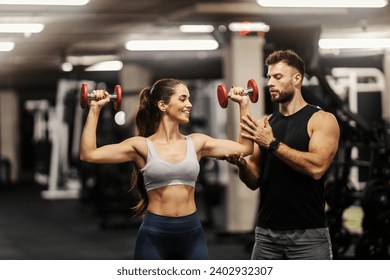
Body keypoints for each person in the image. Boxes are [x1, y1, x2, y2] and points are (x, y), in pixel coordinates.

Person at [80, 78, 253, 260]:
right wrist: (95, 109)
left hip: (191, 233)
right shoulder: (141, 146)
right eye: (183, 99)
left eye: (189, 99)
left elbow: (245, 148)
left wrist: (244, 104)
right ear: (163, 105)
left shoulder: (197, 143)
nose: (190, 104)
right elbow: (89, 154)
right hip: (154, 234)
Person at [224, 50, 340, 260]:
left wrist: (272, 143)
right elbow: (254, 180)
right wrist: (242, 166)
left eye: (277, 77)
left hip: (308, 235)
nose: (270, 83)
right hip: (267, 234)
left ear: (297, 79)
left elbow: (316, 168)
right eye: (269, 77)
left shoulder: (321, 119)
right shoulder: (265, 124)